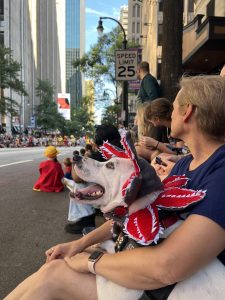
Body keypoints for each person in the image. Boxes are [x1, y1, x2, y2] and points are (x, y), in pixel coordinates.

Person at [6, 75, 225, 300]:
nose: (170, 112)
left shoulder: (221, 172)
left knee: (52, 278)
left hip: (177, 286)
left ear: (187, 111)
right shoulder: (185, 164)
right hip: (161, 277)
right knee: (54, 268)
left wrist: (91, 261)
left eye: (175, 106)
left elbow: (168, 265)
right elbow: (135, 215)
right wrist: (79, 244)